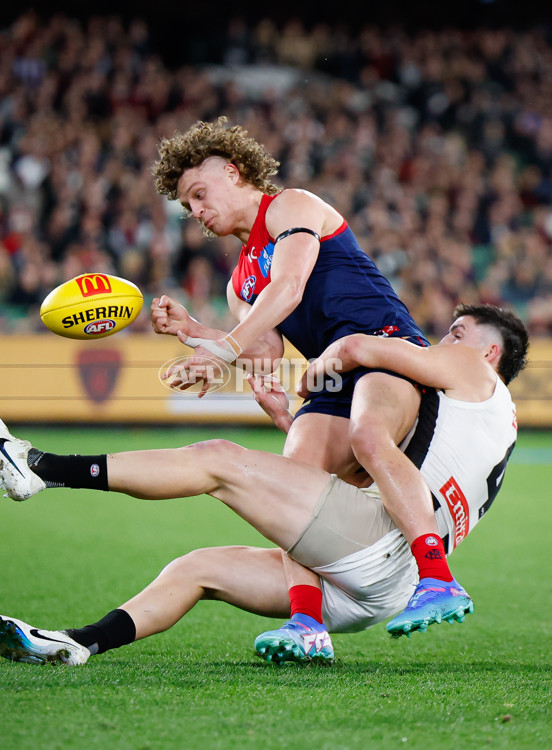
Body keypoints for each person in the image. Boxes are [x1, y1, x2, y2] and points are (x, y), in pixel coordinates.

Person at [0, 304, 528, 666]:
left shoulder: (470, 370)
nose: (442, 340)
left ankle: (42, 467)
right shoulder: (492, 423)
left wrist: (327, 361)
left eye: (457, 333)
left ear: (489, 354)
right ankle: (79, 643)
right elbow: (337, 482)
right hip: (381, 584)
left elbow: (361, 348)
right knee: (197, 569)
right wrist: (288, 418)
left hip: (379, 544)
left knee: (218, 461)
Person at [149, 117, 459, 646]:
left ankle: (438, 581)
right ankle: (307, 624)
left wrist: (222, 351)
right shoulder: (238, 282)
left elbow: (290, 288)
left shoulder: (291, 205)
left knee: (368, 434)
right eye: (189, 206)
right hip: (335, 376)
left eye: (200, 194)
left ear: (234, 170)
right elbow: (265, 349)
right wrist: (195, 332)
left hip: (386, 350)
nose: (197, 212)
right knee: (296, 482)